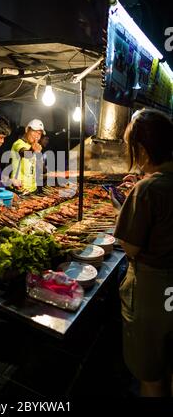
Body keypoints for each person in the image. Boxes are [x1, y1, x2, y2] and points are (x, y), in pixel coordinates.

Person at [112, 108, 173, 397]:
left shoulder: (148, 189)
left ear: (143, 149)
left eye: (131, 148)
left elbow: (130, 246)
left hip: (153, 290)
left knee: (151, 375)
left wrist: (120, 211)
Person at [10, 119, 45, 194]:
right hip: (19, 190)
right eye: (34, 132)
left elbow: (42, 169)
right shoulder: (18, 143)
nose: (37, 136)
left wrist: (38, 155)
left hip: (33, 190)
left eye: (39, 134)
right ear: (27, 129)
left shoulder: (34, 147)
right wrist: (33, 150)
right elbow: (24, 153)